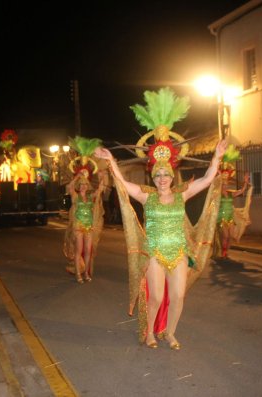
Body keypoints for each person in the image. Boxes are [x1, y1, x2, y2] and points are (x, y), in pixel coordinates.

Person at [94, 87, 226, 350]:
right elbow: (121, 182)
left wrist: (216, 158)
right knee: (155, 297)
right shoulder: (146, 197)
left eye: (166, 175)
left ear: (172, 176)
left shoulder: (182, 194)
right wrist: (111, 161)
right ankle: (151, 332)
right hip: (155, 253)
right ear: (152, 177)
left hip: (178, 252)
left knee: (178, 296)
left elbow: (207, 179)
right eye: (158, 175)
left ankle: (170, 333)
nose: (162, 178)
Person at [63, 136, 105, 283]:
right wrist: (77, 177)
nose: (83, 186)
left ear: (88, 186)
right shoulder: (75, 197)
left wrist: (101, 177)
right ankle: (78, 275)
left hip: (89, 226)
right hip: (78, 226)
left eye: (85, 184)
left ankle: (86, 273)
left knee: (88, 251)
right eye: (81, 185)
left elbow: (100, 190)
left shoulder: (90, 196)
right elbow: (69, 187)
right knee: (78, 251)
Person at [217, 171, 250, 258]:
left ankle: (226, 251)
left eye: (226, 184)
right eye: (223, 184)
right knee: (226, 235)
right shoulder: (218, 195)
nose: (225, 186)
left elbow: (242, 191)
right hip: (222, 217)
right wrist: (218, 175)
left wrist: (245, 182)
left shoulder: (231, 193)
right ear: (221, 185)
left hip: (230, 217)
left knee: (230, 236)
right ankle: (223, 252)